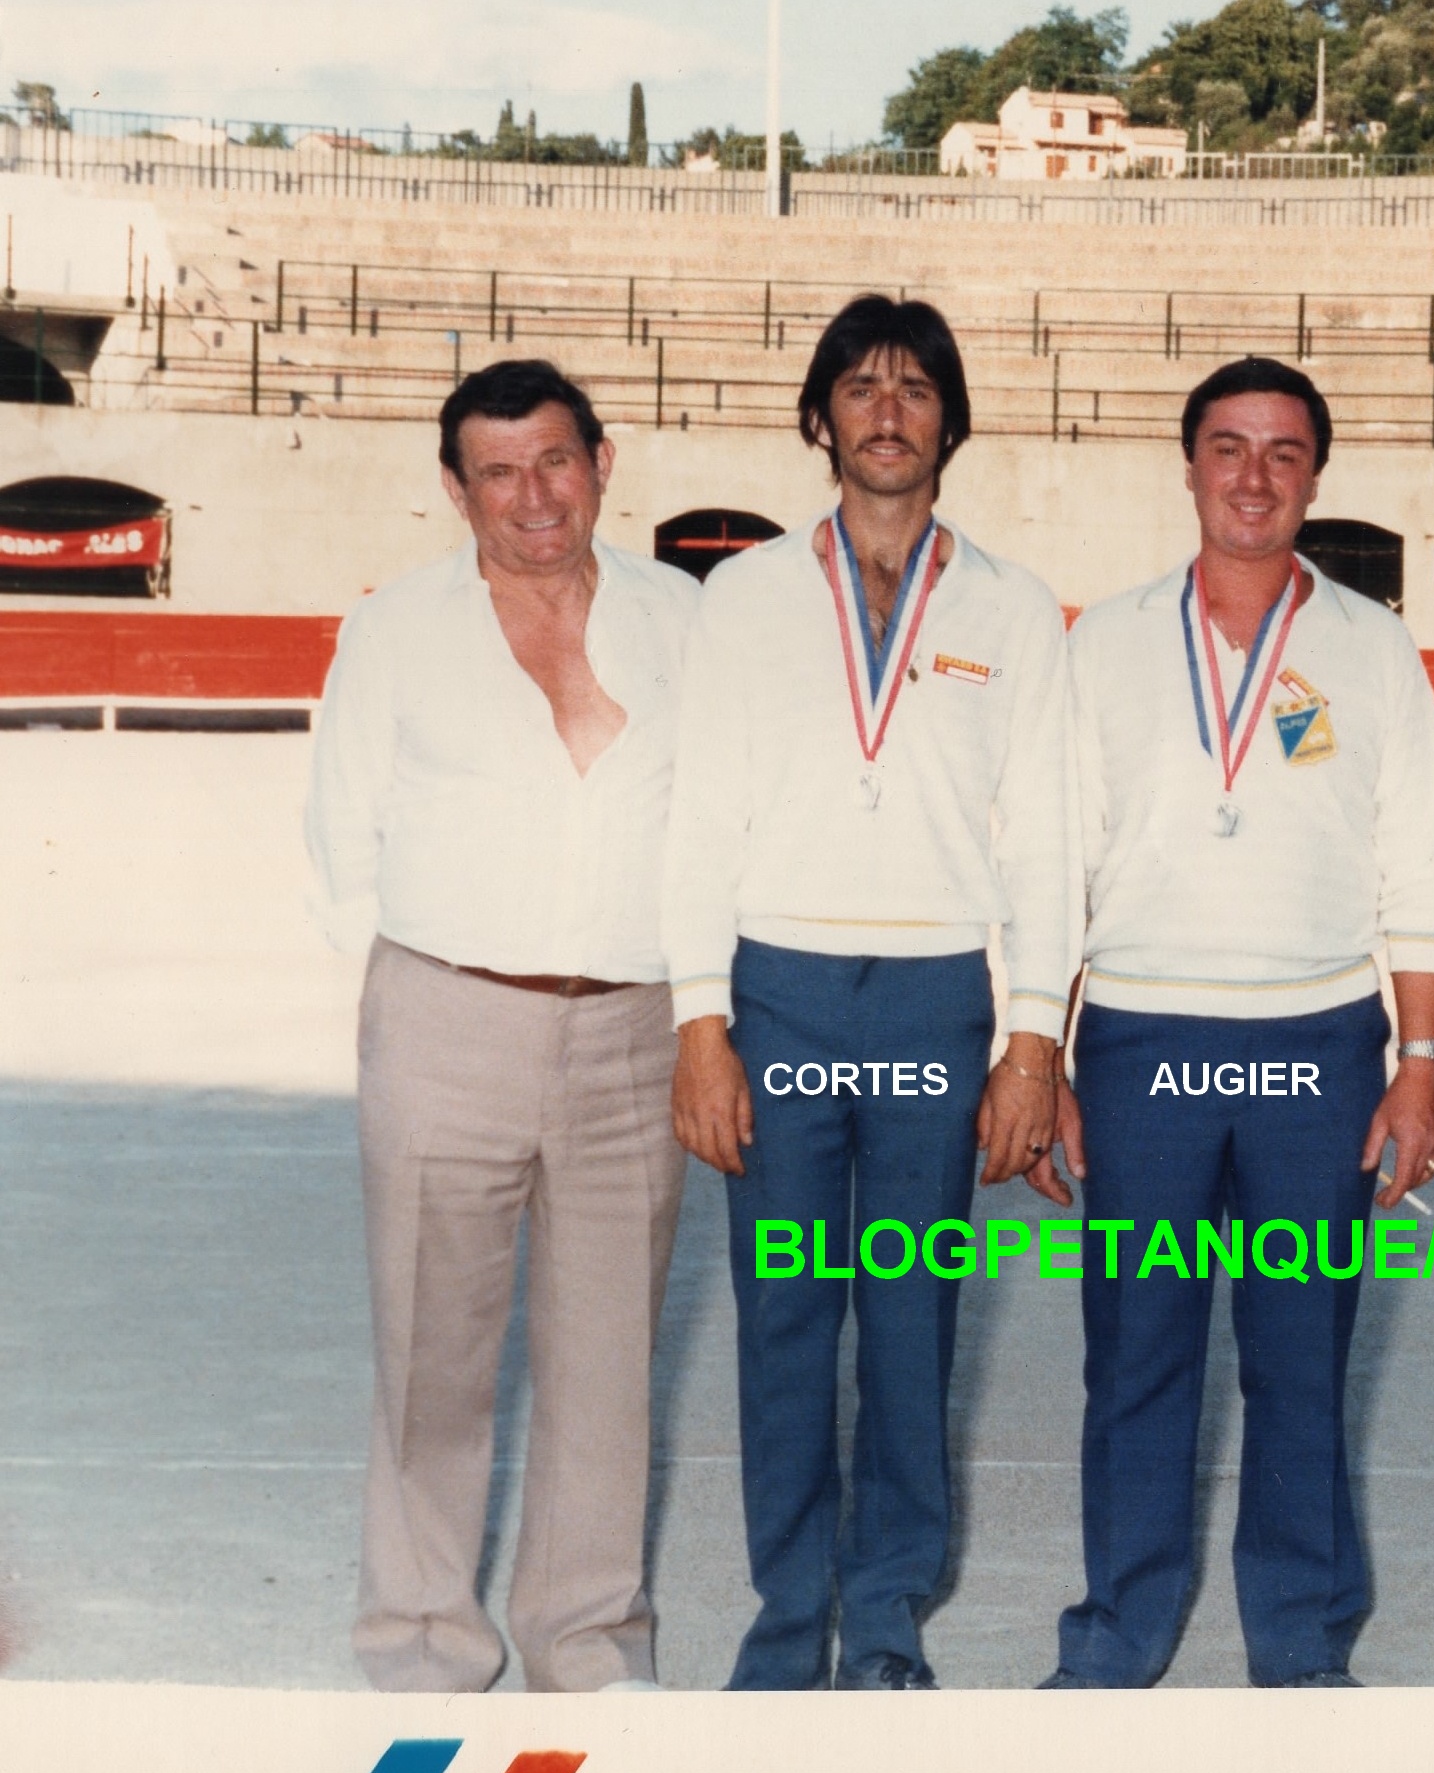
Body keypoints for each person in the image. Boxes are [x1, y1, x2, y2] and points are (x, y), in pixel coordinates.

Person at [661, 296, 1076, 1692]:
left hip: (931, 1000)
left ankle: (888, 1610)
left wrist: (1032, 1042)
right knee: (785, 1318)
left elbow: (1047, 836)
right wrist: (701, 1021)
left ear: (951, 421)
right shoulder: (745, 597)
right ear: (820, 417)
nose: (888, 411)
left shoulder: (1014, 608)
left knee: (907, 1320)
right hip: (779, 991)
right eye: (860, 387)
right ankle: (789, 1616)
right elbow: (699, 818)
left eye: (915, 388)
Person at [1036, 358, 1434, 1690]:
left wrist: (1421, 1062)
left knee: (1300, 1363)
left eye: (1284, 452)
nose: (1255, 475)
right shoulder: (1105, 642)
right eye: (1229, 446)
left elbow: (1421, 862)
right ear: (1189, 467)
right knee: (1136, 1360)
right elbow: (1053, 862)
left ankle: (1300, 1640)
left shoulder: (1372, 647)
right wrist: (1038, 1054)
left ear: (1316, 477)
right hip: (1143, 1041)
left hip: (1317, 1044)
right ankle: (1118, 1636)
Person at [306, 358, 700, 1693]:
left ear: (602, 463)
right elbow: (343, 831)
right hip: (447, 1023)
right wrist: (430, 987)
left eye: (556, 462)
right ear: (456, 488)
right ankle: (420, 1642)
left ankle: (587, 1647)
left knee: (609, 1366)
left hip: (635, 1034)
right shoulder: (396, 629)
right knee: (434, 1356)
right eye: (499, 472)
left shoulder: (685, 620)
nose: (535, 497)